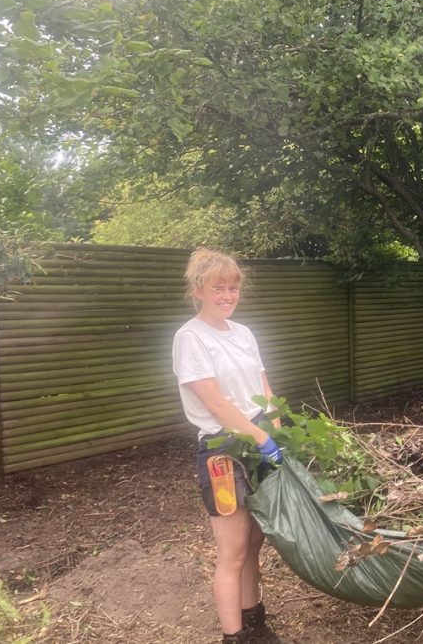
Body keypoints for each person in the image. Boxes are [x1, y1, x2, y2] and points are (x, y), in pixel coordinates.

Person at [172, 248, 286, 644]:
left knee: (254, 543)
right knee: (233, 551)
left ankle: (255, 623)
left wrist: (275, 426)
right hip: (224, 452)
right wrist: (260, 438)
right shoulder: (190, 338)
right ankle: (233, 636)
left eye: (233, 288)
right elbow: (216, 403)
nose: (227, 295)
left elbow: (262, 384)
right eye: (218, 288)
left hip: (258, 441)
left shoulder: (243, 333)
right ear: (198, 290)